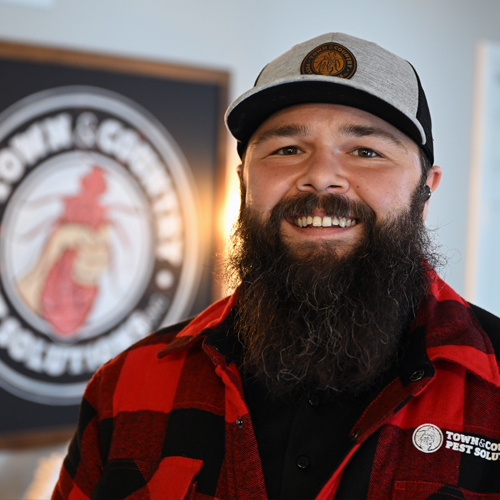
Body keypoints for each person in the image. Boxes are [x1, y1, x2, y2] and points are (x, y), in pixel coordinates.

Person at [52, 32, 500, 500]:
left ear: (425, 191)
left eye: (366, 152)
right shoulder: (126, 386)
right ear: (244, 183)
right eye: (287, 149)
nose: (320, 177)